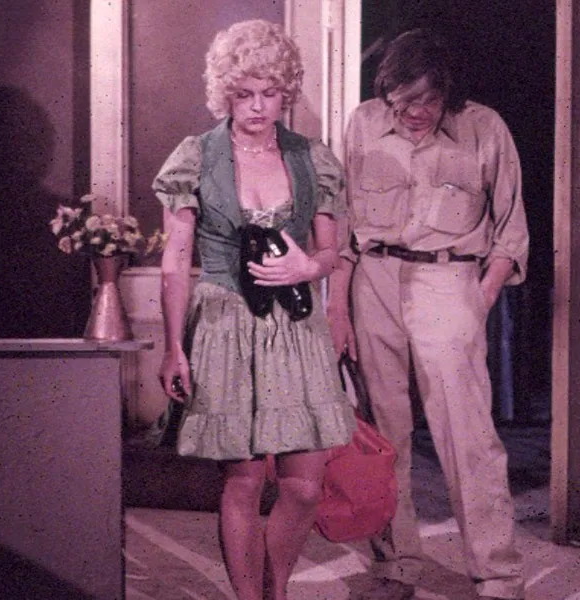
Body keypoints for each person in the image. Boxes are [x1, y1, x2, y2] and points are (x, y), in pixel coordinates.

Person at [153, 19, 355, 600]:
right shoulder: (196, 157)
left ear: (285, 91)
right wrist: (173, 346)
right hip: (225, 323)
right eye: (244, 94)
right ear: (226, 93)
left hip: (295, 324)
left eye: (270, 92)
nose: (258, 106)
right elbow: (175, 261)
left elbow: (332, 252)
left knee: (303, 487)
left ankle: (276, 587)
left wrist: (308, 268)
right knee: (242, 483)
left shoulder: (312, 158)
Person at [327, 28, 529, 600]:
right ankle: (397, 565)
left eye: (427, 100)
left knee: (469, 437)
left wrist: (478, 299)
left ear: (448, 93)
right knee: (383, 435)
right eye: (402, 101)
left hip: (449, 280)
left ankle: (497, 573)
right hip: (374, 281)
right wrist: (337, 308)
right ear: (386, 91)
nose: (414, 113)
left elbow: (511, 231)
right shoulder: (363, 123)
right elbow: (342, 226)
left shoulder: (485, 128)